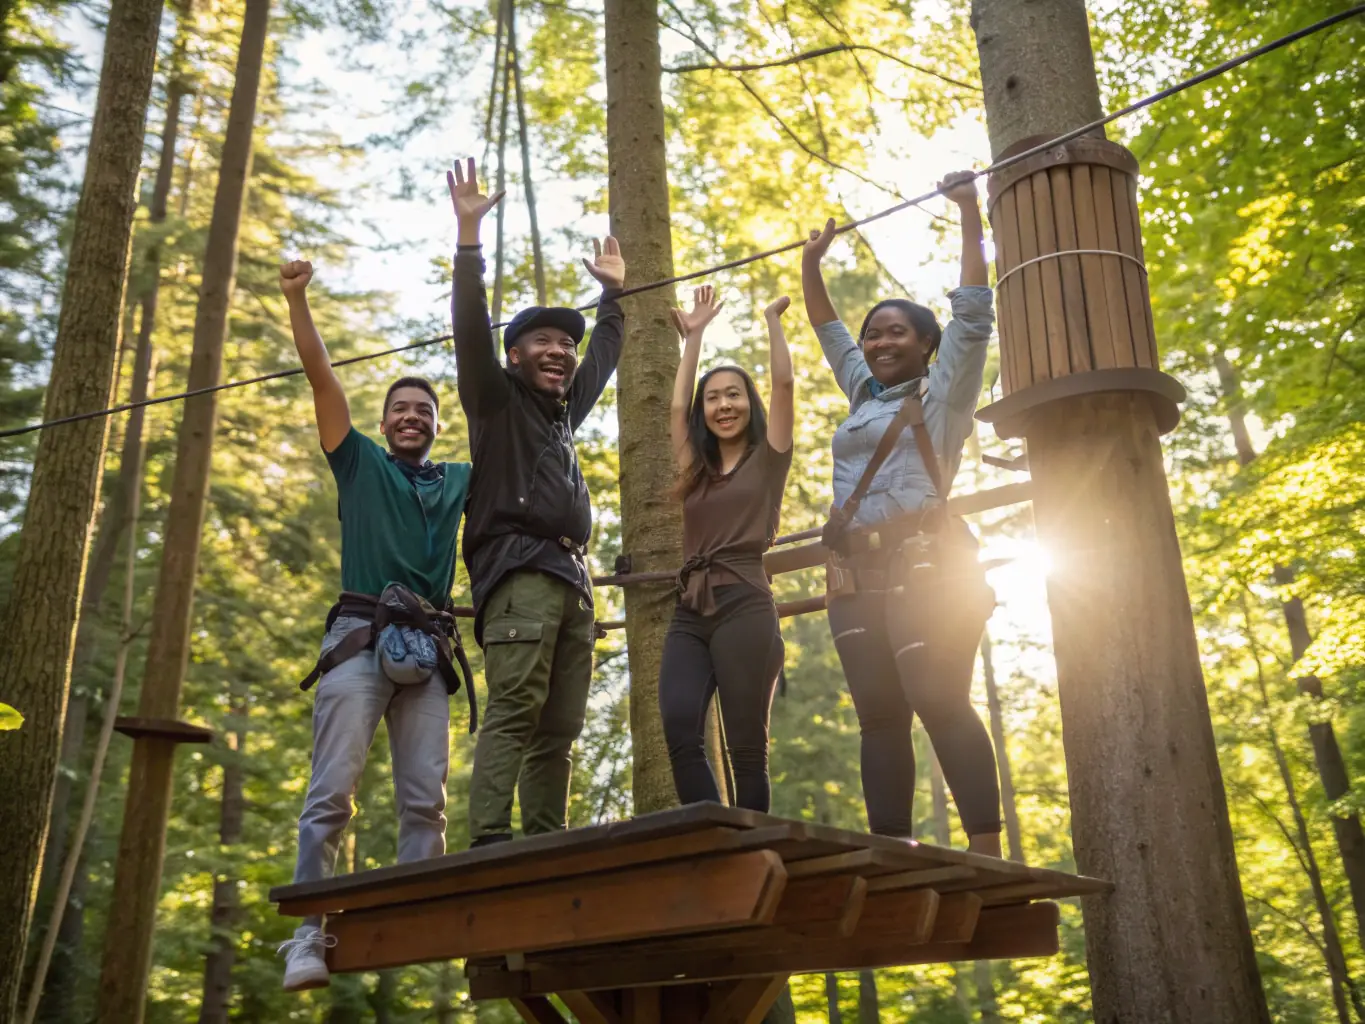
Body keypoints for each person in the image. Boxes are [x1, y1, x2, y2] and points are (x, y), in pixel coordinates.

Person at [274, 259, 474, 991]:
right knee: (332, 792)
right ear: (385, 422)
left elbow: (516, 454)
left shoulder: (457, 479)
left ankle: (415, 915)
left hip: (429, 647)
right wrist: (298, 300)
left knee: (427, 796)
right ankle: (307, 936)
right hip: (359, 639)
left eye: (422, 409)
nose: (410, 416)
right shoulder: (358, 463)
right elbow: (323, 379)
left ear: (436, 424)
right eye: (399, 409)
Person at [801, 171, 1003, 857]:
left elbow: (973, 314)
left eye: (895, 333)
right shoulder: (860, 396)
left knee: (935, 697)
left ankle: (984, 847)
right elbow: (829, 333)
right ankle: (892, 851)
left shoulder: (943, 397)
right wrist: (809, 265)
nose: (879, 342)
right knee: (878, 715)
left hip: (926, 564)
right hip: (856, 570)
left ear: (924, 345)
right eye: (872, 335)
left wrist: (968, 209)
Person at [446, 157, 626, 846]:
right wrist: (469, 241)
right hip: (518, 573)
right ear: (514, 355)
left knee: (562, 725)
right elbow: (469, 327)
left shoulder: (559, 415)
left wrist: (613, 297)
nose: (559, 350)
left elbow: (604, 353)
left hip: (569, 579)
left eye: (564, 344)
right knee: (517, 708)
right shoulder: (494, 402)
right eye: (543, 342)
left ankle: (546, 837)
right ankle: (492, 839)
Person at [658, 286, 795, 812]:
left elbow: (783, 384)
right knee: (678, 726)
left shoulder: (769, 458)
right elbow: (676, 406)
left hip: (745, 602)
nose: (723, 405)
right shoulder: (696, 470)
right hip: (690, 608)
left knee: (745, 746)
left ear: (748, 402)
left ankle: (753, 848)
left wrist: (772, 322)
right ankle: (713, 832)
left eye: (733, 394)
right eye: (713, 397)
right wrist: (692, 338)